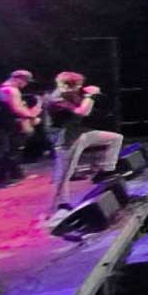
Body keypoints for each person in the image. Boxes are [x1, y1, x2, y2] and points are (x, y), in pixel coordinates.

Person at [45, 70, 99, 214]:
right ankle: (57, 205)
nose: (81, 87)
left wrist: (88, 97)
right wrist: (89, 96)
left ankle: (61, 202)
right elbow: (82, 112)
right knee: (62, 169)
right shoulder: (57, 99)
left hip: (68, 132)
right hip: (60, 134)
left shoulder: (68, 95)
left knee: (66, 169)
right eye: (79, 84)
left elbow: (85, 111)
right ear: (70, 85)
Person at [0, 69, 39, 188]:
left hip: (6, 122)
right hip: (10, 124)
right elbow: (17, 109)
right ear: (19, 79)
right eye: (26, 81)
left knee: (13, 149)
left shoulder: (3, 88)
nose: (26, 84)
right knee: (10, 150)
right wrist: (31, 116)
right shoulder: (11, 90)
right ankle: (2, 179)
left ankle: (16, 174)